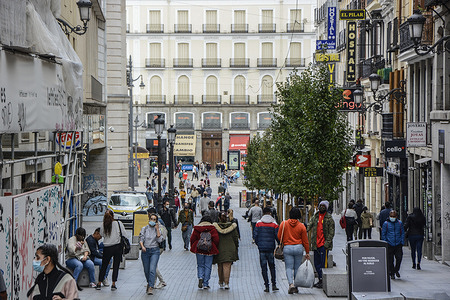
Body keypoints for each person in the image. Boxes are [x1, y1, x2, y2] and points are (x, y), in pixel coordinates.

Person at [278, 207, 310, 294]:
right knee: (297, 268)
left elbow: (279, 236)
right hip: (298, 248)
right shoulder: (302, 226)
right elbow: (305, 241)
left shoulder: (283, 224)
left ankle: (290, 284)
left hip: (287, 248)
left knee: (288, 267)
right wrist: (307, 252)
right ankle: (296, 286)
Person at [308, 200, 335, 289]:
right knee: (316, 264)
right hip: (316, 245)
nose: (321, 207)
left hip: (324, 246)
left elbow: (331, 232)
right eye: (320, 205)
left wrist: (326, 244)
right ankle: (320, 279)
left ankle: (323, 281)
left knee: (323, 265)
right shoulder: (315, 216)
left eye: (323, 206)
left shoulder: (329, 218)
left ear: (326, 207)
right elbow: (309, 225)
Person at [97, 210, 126, 291]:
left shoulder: (103, 225)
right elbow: (124, 234)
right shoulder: (118, 223)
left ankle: (99, 283)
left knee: (104, 265)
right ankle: (113, 284)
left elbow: (102, 234)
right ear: (113, 216)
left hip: (107, 247)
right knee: (116, 266)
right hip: (117, 247)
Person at [254, 207, 280, 293]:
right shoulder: (274, 224)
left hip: (262, 249)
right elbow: (277, 236)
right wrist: (279, 244)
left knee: (263, 267)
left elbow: (255, 236)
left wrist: (259, 244)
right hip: (270, 248)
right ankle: (274, 284)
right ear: (270, 213)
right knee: (272, 267)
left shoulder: (258, 223)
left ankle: (267, 286)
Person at [190, 215, 220, 289]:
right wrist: (213, 246)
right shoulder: (212, 228)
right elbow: (216, 239)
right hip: (209, 250)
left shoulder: (197, 228)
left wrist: (193, 246)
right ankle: (205, 283)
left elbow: (192, 238)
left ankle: (200, 277)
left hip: (199, 249)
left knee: (200, 265)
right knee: (208, 266)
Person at [140, 212, 165, 295]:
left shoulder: (158, 229)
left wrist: (157, 229)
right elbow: (141, 238)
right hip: (145, 251)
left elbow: (160, 240)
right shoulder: (144, 228)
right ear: (149, 219)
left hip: (155, 251)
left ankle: (151, 287)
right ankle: (149, 282)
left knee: (152, 269)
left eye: (154, 220)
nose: (153, 221)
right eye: (152, 219)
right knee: (146, 270)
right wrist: (142, 246)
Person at [213, 212, 239, 290]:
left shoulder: (216, 227)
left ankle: (221, 281)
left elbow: (214, 238)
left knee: (220, 266)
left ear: (219, 218)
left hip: (219, 248)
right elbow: (235, 238)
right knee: (227, 266)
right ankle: (227, 283)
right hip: (230, 248)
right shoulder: (232, 227)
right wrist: (236, 247)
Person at [381, 210, 404, 280]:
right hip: (389, 244)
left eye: (394, 216)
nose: (392, 218)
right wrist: (385, 242)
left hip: (398, 244)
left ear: (396, 216)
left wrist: (401, 242)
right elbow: (383, 234)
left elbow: (402, 233)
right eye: (391, 216)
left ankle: (396, 270)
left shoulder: (400, 223)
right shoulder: (386, 224)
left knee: (399, 258)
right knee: (390, 260)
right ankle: (392, 273)